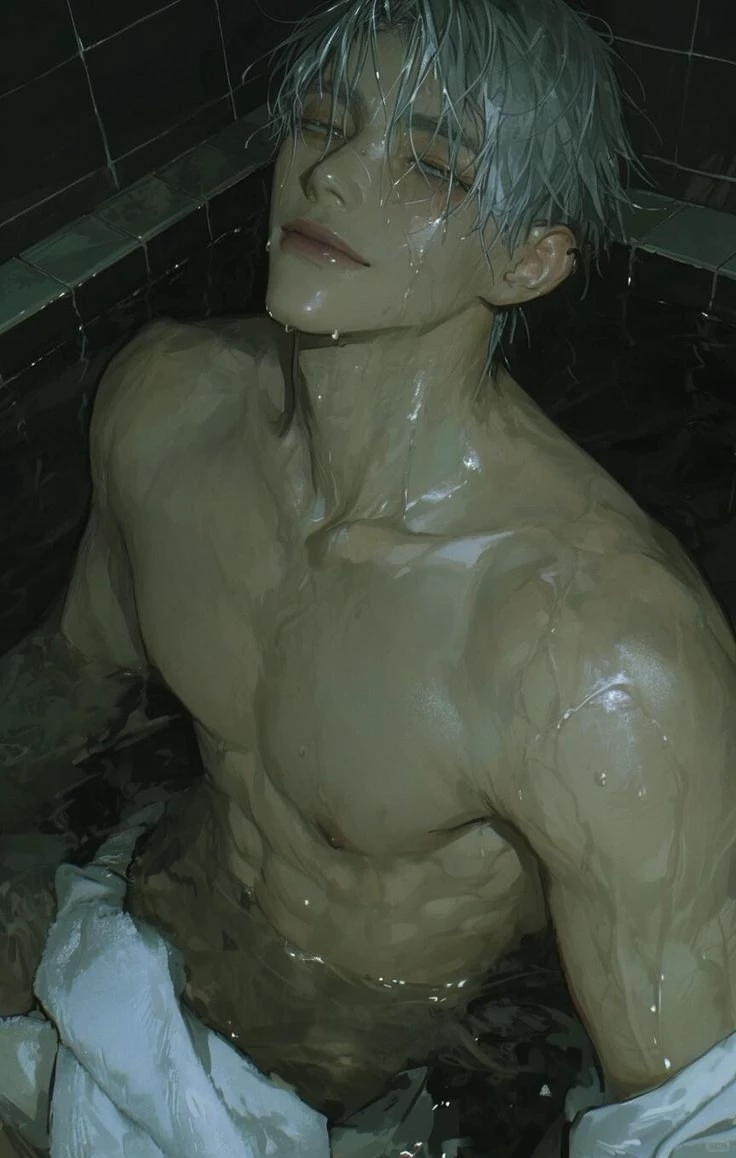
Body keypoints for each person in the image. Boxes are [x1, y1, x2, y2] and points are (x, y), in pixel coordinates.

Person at [2, 0, 736, 1154]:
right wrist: (20, 861)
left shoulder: (595, 658)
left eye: (428, 164)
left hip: (343, 1102)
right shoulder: (165, 411)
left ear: (528, 259)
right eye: (321, 119)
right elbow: (69, 680)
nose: (334, 173)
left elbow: (683, 1115)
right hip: (116, 945)